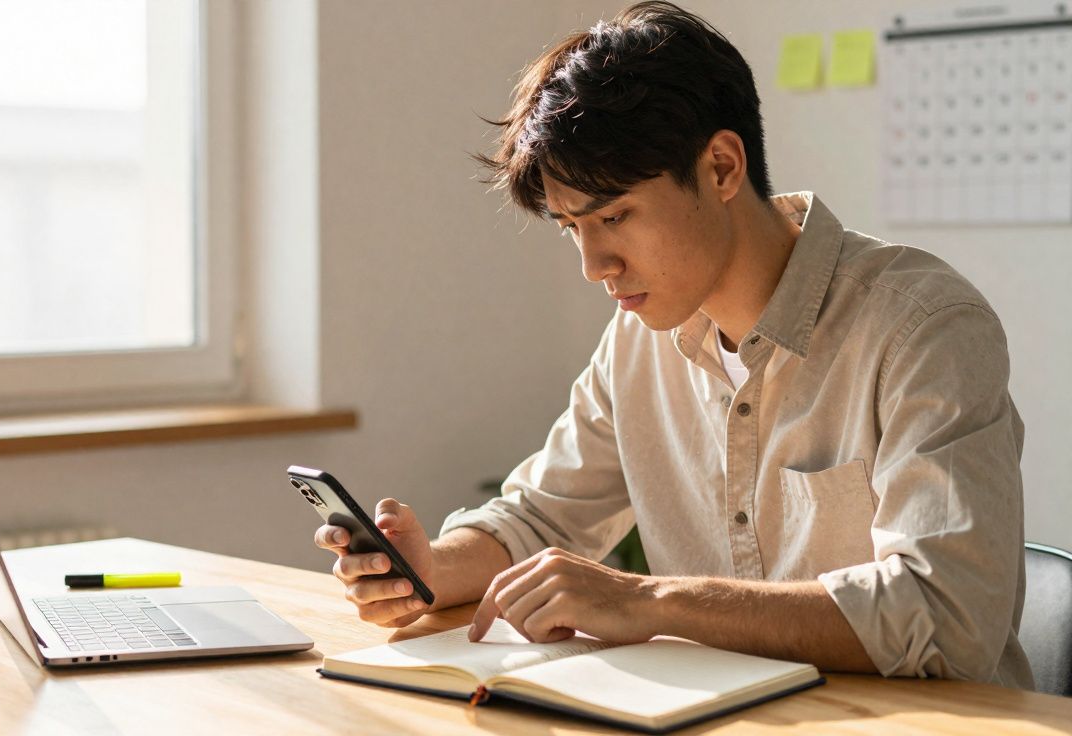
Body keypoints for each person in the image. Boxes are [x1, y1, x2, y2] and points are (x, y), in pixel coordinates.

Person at [312, 1, 1032, 688]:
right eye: (572, 229)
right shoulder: (638, 341)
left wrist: (649, 603)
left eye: (615, 216)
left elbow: (947, 615)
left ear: (721, 167)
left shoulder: (923, 326)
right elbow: (538, 516)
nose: (595, 266)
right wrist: (433, 566)